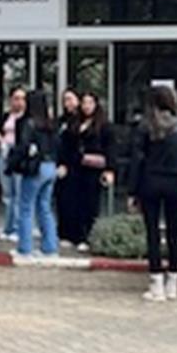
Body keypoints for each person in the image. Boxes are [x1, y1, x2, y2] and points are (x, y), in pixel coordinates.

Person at [130, 84, 177, 302]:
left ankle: (156, 282)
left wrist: (132, 190)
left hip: (150, 183)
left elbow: (137, 161)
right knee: (174, 233)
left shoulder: (145, 127)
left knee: (153, 234)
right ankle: (172, 282)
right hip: (176, 184)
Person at [5, 90, 60, 262]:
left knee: (25, 207)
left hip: (35, 168)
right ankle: (50, 247)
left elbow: (22, 147)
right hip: (50, 166)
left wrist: (11, 164)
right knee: (45, 207)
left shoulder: (28, 123)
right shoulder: (51, 124)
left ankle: (25, 248)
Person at [59, 93, 115, 251]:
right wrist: (63, 163)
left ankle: (87, 236)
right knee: (72, 202)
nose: (87, 106)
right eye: (84, 102)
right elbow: (66, 145)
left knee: (90, 204)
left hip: (93, 169)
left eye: (90, 102)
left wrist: (109, 169)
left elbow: (111, 149)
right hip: (75, 167)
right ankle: (72, 235)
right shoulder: (74, 123)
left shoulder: (104, 125)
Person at [0, 87, 27, 243]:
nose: (19, 102)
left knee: (19, 193)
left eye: (22, 98)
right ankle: (8, 227)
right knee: (7, 193)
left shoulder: (27, 119)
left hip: (19, 156)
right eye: (16, 98)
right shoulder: (6, 116)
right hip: (5, 153)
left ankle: (16, 228)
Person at [53, 89, 82, 233]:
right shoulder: (60, 121)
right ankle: (62, 230)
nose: (67, 103)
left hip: (75, 166)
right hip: (59, 164)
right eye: (65, 100)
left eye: (70, 99)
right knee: (61, 200)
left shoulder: (81, 121)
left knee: (74, 200)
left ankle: (74, 232)